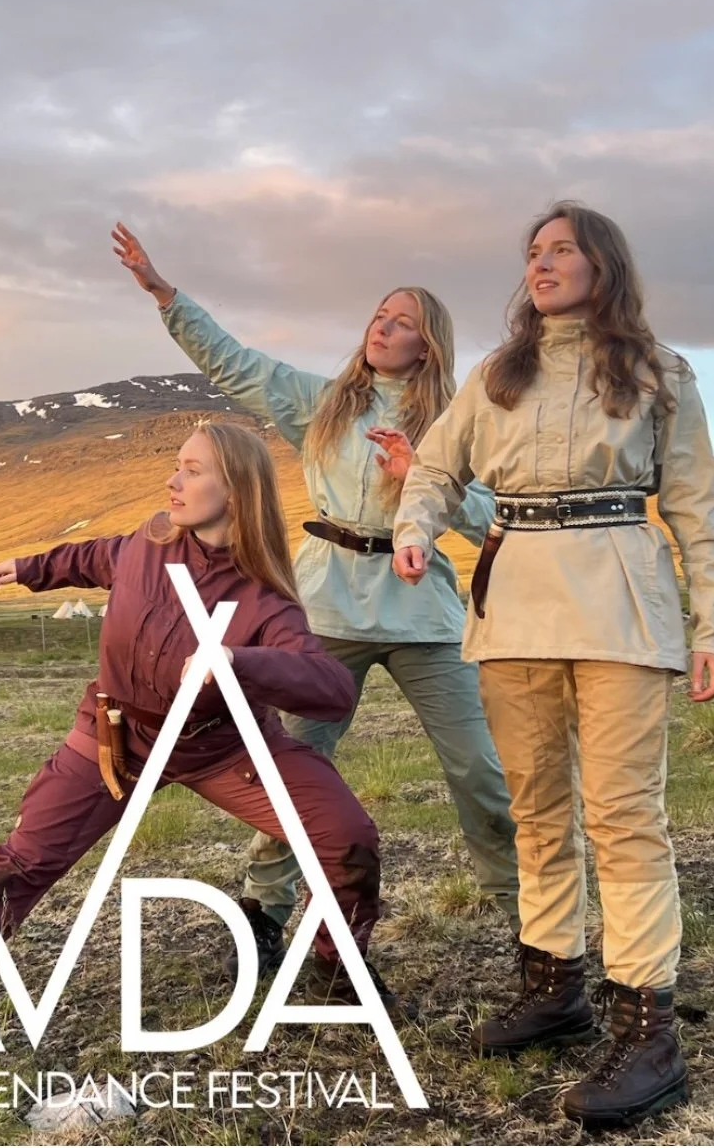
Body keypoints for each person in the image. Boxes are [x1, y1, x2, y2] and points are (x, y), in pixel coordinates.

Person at [0, 422, 392, 1081]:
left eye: (192, 470)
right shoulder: (150, 541)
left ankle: (338, 970)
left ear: (238, 488)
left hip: (219, 748)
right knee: (15, 868)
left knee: (346, 837)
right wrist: (30, 569)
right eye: (175, 465)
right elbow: (94, 558)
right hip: (116, 740)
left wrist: (239, 660)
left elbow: (333, 688)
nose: (173, 480)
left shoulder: (263, 599)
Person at [392, 201, 714, 1130]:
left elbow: (697, 511)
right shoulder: (495, 377)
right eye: (532, 253)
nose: (541, 265)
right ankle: (554, 989)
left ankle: (648, 1033)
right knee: (536, 808)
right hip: (514, 614)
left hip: (623, 607)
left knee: (625, 817)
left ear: (603, 264)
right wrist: (416, 527)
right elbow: (432, 470)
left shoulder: (660, 374)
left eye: (562, 250)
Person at [113, 223, 520, 968]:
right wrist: (165, 295)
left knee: (478, 769)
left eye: (401, 322)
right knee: (295, 761)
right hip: (326, 608)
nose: (382, 326)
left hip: (423, 614)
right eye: (379, 314)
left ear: (426, 347)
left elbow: (492, 520)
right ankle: (265, 911)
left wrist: (420, 479)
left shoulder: (456, 423)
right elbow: (236, 365)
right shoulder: (322, 404)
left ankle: (530, 918)